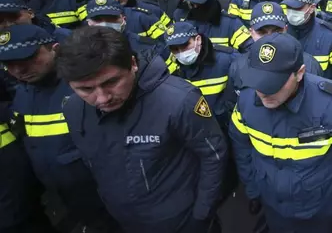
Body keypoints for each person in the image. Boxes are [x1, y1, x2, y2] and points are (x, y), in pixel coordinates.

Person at [56, 26, 228, 233]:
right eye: (86, 89)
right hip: (122, 220)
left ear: (133, 64)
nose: (102, 98)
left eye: (111, 82)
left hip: (181, 221)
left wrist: (203, 212)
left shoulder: (178, 101)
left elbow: (213, 154)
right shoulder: (74, 110)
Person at [229, 33, 332, 233]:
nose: (263, 92)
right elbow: (240, 144)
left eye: (274, 83)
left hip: (321, 210)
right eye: (258, 80)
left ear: (299, 73)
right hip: (272, 204)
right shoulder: (246, 101)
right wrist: (253, 187)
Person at [0, 24, 117, 232]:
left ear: (55, 49)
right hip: (61, 200)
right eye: (9, 64)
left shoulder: (85, 88)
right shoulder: (22, 94)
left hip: (103, 197)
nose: (18, 70)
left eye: (28, 59)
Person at [229, 1, 323, 91]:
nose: (270, 38)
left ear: (286, 29)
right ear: (251, 33)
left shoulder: (308, 64)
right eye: (262, 32)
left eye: (277, 31)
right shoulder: (238, 66)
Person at [183, 0, 252, 52]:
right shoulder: (187, 24)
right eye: (193, 4)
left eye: (200, 4)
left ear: (211, 2)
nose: (195, 7)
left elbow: (250, 51)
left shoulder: (231, 23)